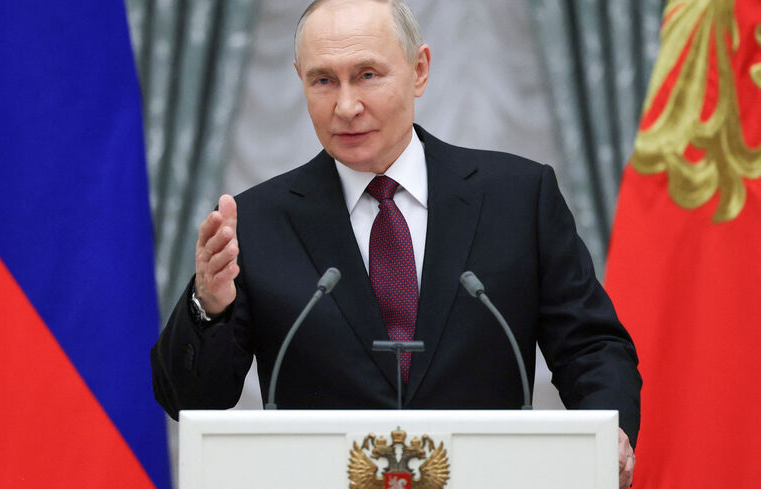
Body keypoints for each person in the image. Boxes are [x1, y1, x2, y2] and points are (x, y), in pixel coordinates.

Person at [151, 0, 639, 487]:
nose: (346, 106)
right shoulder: (256, 221)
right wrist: (207, 308)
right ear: (300, 79)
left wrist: (607, 429)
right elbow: (191, 402)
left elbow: (590, 347)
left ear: (419, 70)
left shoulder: (518, 196)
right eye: (323, 80)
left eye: (367, 74)